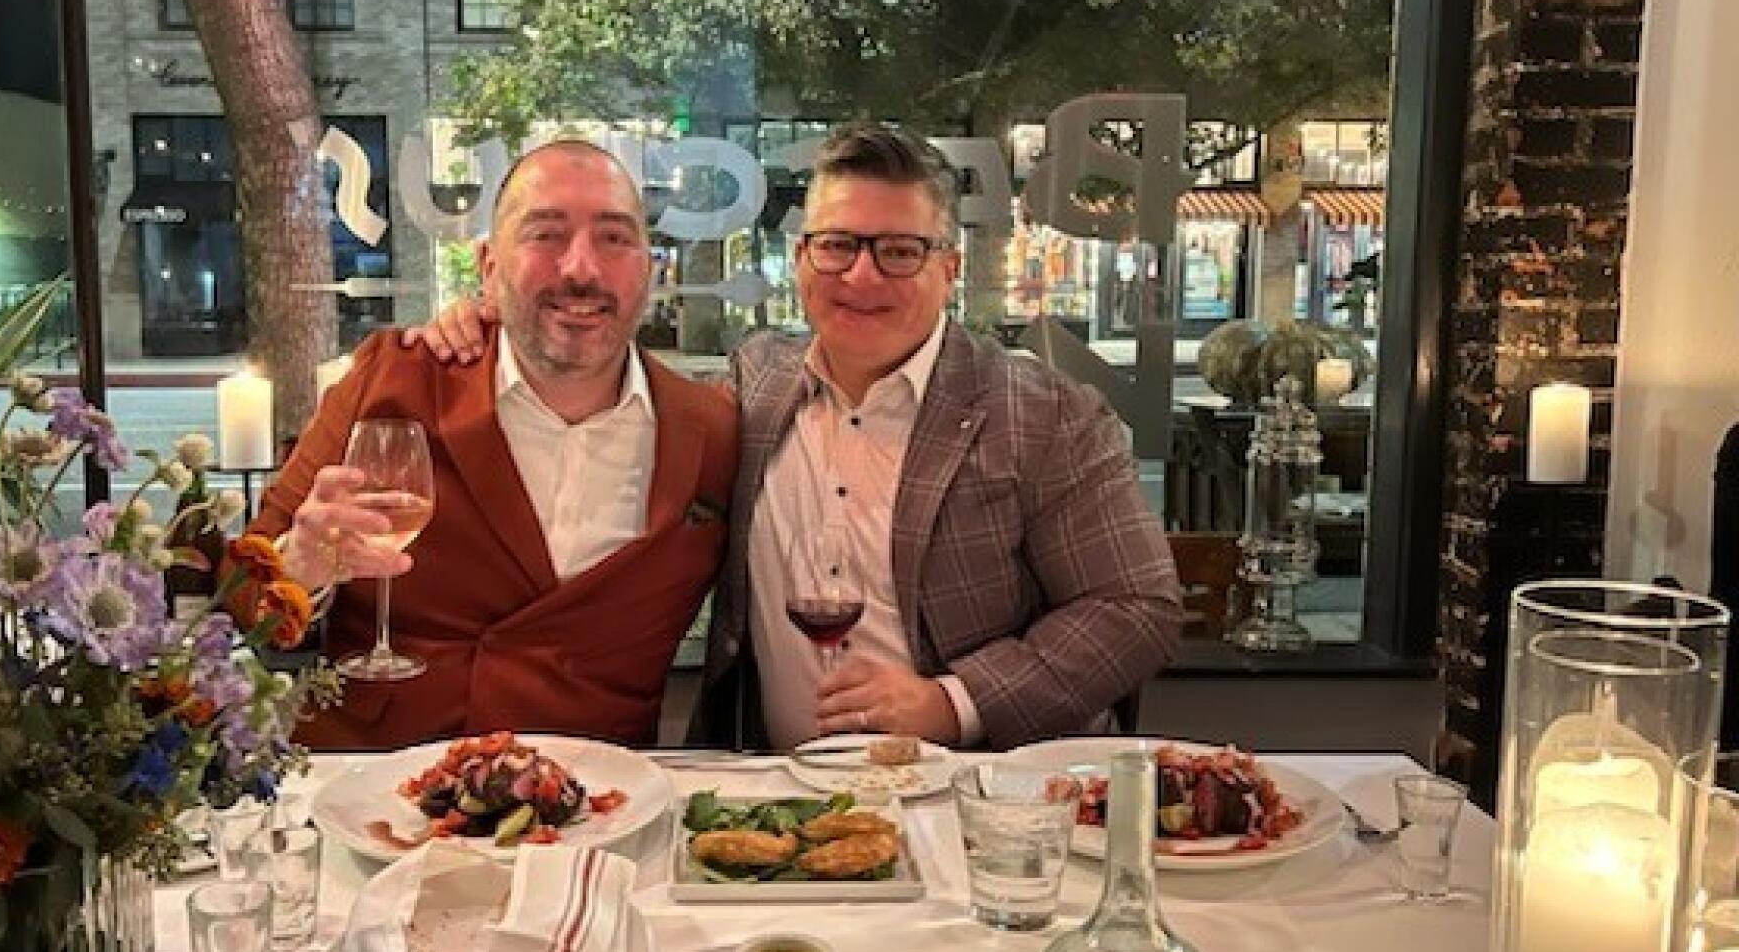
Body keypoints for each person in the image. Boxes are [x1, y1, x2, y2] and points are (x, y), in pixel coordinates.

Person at [419, 124, 1183, 752]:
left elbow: (1135, 607)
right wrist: (498, 321)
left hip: (974, 801)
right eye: (837, 245)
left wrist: (953, 703)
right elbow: (596, 369)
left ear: (948, 269)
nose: (862, 275)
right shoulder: (755, 387)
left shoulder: (1044, 414)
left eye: (900, 250)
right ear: (802, 258)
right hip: (778, 796)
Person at [254, 139, 738, 750]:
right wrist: (300, 567)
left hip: (599, 805)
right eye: (546, 235)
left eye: (614, 238)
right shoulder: (392, 380)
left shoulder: (711, 431)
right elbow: (244, 596)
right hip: (380, 789)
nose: (581, 269)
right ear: (488, 266)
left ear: (648, 267)